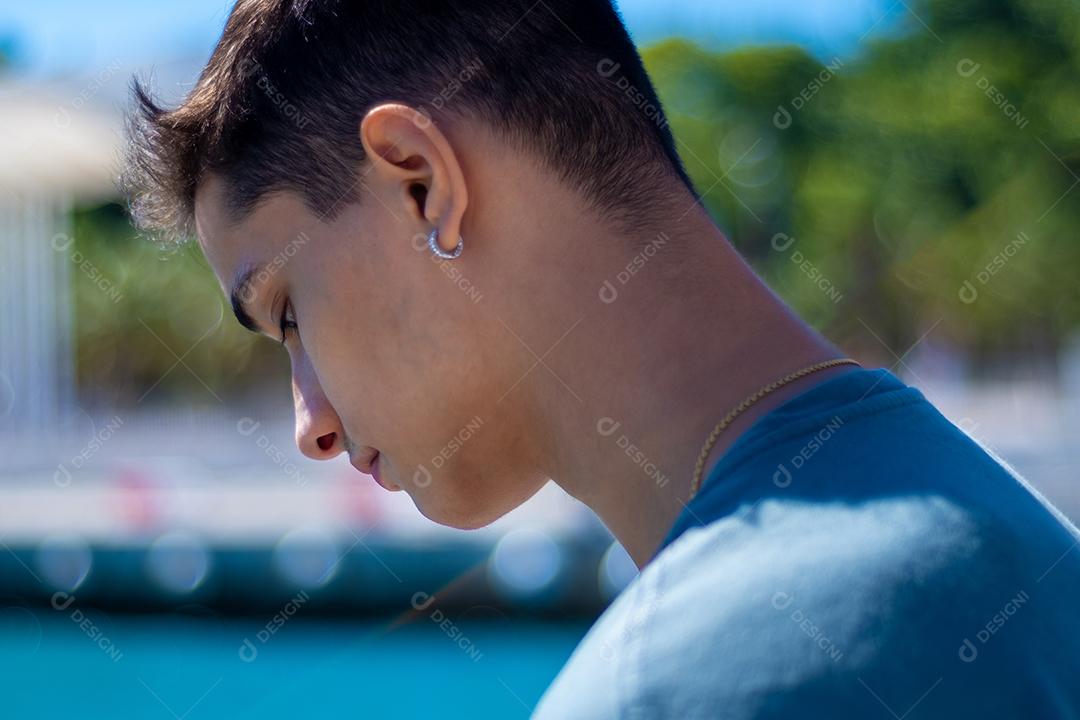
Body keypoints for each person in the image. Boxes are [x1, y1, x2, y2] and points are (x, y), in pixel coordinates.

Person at [121, 1, 1080, 717]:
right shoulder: (1031, 548)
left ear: (421, 185)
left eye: (288, 313)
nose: (310, 424)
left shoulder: (663, 688)